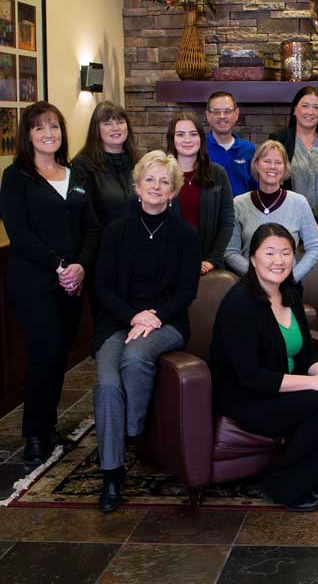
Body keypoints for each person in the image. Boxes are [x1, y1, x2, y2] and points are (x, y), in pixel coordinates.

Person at [210, 223, 318, 511]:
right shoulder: (239, 303)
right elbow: (251, 376)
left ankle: (313, 479)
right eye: (269, 253)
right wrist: (314, 384)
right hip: (249, 400)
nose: (278, 261)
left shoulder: (289, 292)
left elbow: (305, 353)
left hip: (281, 389)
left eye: (285, 253)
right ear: (252, 258)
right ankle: (284, 486)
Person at [93, 151, 201, 513]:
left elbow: (187, 291)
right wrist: (134, 316)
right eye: (150, 180)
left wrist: (152, 318)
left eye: (164, 182)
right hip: (117, 322)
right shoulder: (115, 231)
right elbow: (103, 287)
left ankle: (132, 433)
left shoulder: (186, 235)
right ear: (137, 187)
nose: (156, 187)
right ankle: (112, 474)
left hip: (167, 323)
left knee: (137, 356)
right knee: (108, 384)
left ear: (173, 191)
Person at [1, 102, 99, 465]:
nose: (49, 134)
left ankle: (50, 427)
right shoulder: (17, 178)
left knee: (59, 356)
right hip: (34, 283)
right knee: (43, 355)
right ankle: (33, 437)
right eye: (40, 128)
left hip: (72, 284)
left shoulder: (75, 175)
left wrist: (80, 268)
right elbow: (20, 233)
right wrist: (60, 265)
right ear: (28, 134)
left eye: (54, 127)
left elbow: (91, 228)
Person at [224, 140, 318, 283]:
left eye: (278, 162)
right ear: (256, 165)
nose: (272, 167)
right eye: (267, 161)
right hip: (251, 285)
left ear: (285, 168)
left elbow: (316, 247)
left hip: (288, 286)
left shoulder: (299, 203)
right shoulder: (239, 204)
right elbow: (230, 251)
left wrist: (291, 276)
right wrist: (257, 276)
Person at [269, 86, 318, 243]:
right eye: (305, 106)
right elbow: (269, 182)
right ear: (294, 109)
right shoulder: (279, 140)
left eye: (316, 107)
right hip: (285, 227)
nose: (310, 112)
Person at [166, 114, 234, 275]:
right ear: (172, 139)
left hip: (208, 265)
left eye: (193, 134)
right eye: (180, 134)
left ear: (201, 138)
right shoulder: (162, 173)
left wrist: (212, 259)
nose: (187, 140)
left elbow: (227, 220)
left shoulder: (217, 173)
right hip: (168, 264)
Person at [71, 101, 142, 227]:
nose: (115, 128)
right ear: (96, 129)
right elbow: (82, 215)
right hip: (103, 241)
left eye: (120, 122)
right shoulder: (83, 165)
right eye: (107, 123)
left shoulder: (140, 161)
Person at [205, 91, 256, 196]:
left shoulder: (249, 150)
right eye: (216, 112)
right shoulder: (199, 147)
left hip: (242, 211)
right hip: (208, 211)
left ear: (236, 114)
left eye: (227, 111)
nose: (222, 116)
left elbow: (256, 188)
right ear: (208, 115)